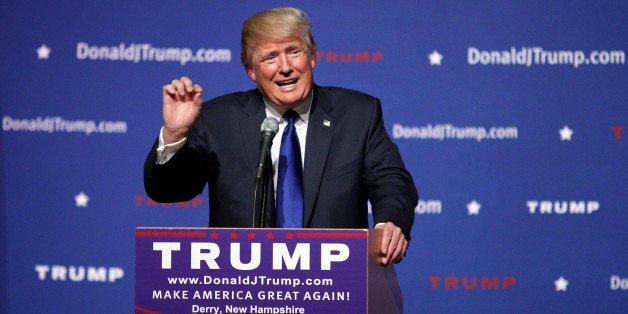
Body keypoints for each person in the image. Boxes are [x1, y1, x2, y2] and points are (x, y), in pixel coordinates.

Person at [144, 7, 417, 265]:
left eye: (294, 51)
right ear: (251, 71)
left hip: (336, 281)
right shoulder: (218, 118)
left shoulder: (357, 113)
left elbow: (391, 180)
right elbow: (169, 190)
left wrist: (388, 223)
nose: (285, 67)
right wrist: (175, 133)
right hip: (244, 285)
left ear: (312, 57)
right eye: (270, 57)